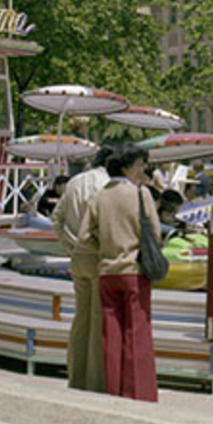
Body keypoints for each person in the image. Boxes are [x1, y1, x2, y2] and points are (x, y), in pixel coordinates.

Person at [79, 146, 160, 402]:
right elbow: (155, 233)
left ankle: (113, 391)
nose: (142, 170)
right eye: (138, 165)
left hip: (107, 271)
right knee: (137, 334)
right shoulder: (141, 194)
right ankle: (138, 394)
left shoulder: (99, 197)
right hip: (133, 270)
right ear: (126, 167)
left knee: (110, 335)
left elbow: (83, 237)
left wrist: (104, 249)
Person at [53, 147, 114, 392]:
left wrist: (69, 246)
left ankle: (76, 376)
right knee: (98, 320)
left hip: (78, 257)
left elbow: (56, 219)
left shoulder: (75, 182)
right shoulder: (109, 185)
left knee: (81, 319)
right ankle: (95, 381)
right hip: (99, 256)